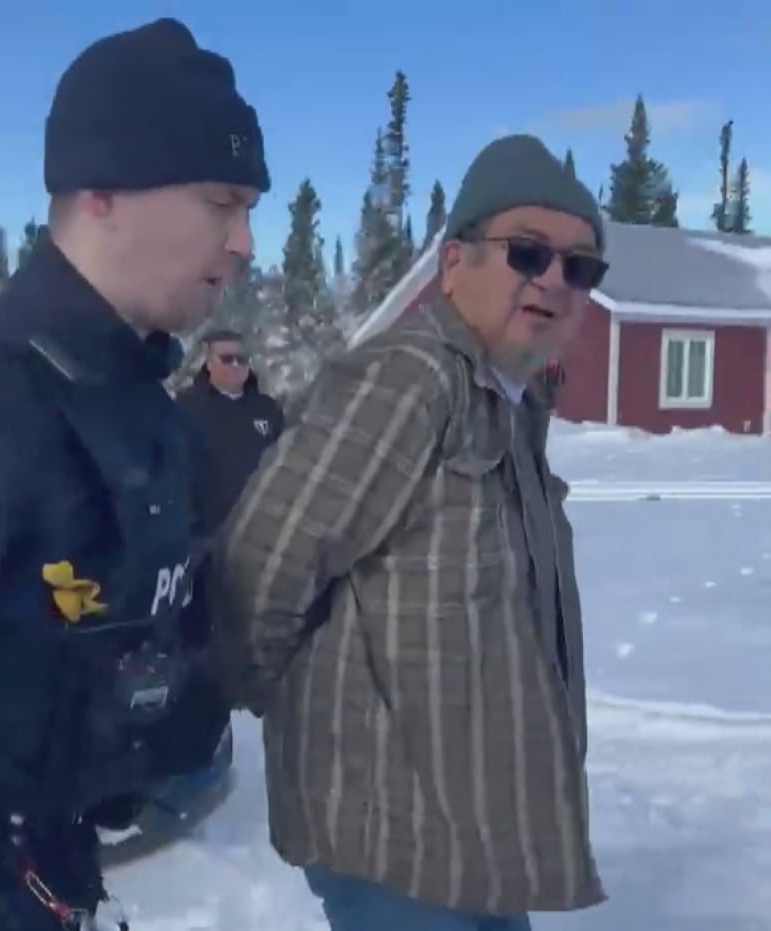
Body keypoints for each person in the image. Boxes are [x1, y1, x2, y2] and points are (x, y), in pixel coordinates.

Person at [212, 135, 609, 931]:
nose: (555, 281)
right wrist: (261, 698)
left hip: (473, 838)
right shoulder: (412, 376)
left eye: (580, 266)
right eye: (528, 252)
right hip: (388, 836)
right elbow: (268, 553)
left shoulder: (510, 402)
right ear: (453, 261)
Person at [0, 17, 269, 931]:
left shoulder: (147, 400)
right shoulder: (7, 398)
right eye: (221, 203)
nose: (244, 245)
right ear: (101, 191)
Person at [177, 329, 284, 537]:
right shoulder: (185, 408)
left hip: (267, 526)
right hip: (212, 532)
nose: (235, 365)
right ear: (208, 363)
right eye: (227, 359)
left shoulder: (268, 409)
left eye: (241, 359)